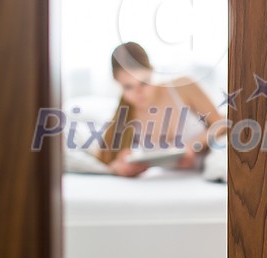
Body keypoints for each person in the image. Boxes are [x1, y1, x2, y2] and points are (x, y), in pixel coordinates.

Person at [95, 42, 226, 177]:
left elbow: (221, 123)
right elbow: (105, 160)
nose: (139, 93)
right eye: (128, 87)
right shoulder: (127, 117)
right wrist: (119, 166)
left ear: (152, 70)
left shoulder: (183, 87)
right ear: (117, 83)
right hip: (168, 182)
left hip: (206, 171)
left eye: (144, 82)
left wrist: (194, 146)